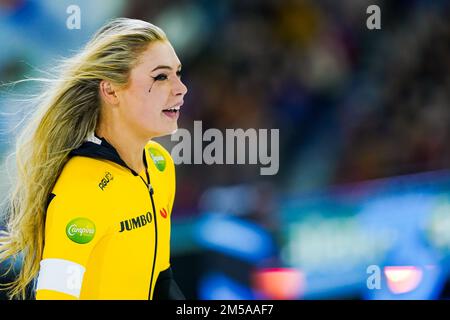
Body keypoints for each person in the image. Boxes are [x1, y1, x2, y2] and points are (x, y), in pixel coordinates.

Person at [0, 18, 187, 300]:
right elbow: (55, 295)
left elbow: (162, 280)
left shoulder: (160, 165)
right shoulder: (82, 190)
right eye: (161, 76)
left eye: (177, 73)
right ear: (111, 90)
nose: (180, 88)